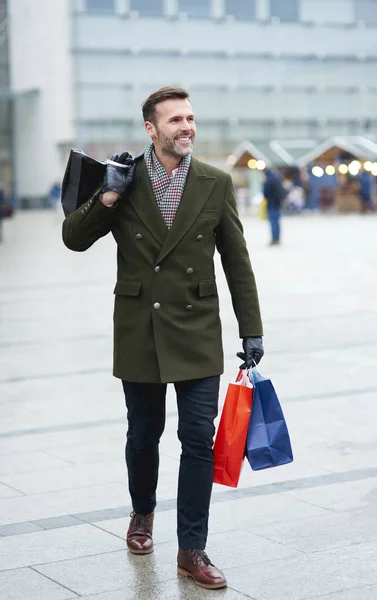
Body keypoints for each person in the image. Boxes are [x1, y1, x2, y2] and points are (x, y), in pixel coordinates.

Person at [62, 87, 264, 590]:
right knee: (142, 434)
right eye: (175, 120)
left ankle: (192, 548)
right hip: (140, 329)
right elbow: (73, 237)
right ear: (151, 129)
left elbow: (237, 260)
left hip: (197, 329)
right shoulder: (124, 182)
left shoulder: (215, 182)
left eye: (191, 118)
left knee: (198, 437)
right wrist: (107, 194)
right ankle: (142, 513)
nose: (187, 127)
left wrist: (252, 327)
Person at [263, 167, 287, 245]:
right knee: (277, 222)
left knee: (273, 222)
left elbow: (265, 193)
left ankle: (274, 239)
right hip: (278, 204)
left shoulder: (268, 180)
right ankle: (277, 238)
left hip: (271, 204)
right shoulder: (277, 179)